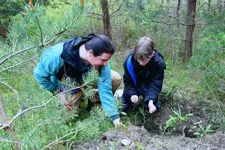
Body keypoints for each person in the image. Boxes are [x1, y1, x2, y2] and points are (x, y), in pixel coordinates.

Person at [33, 33, 122, 127]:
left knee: (115, 78)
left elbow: (105, 87)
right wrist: (58, 92)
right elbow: (39, 75)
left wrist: (115, 119)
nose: (105, 64)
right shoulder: (58, 55)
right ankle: (77, 100)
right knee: (66, 118)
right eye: (103, 60)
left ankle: (94, 104)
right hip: (69, 86)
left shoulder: (102, 62)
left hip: (87, 80)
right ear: (91, 53)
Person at [122, 36, 166, 114]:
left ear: (152, 54)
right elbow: (127, 82)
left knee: (152, 108)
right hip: (134, 84)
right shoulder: (129, 62)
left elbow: (156, 84)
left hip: (147, 86)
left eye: (145, 59)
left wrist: (151, 100)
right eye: (139, 59)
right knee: (122, 106)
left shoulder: (158, 64)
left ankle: (149, 104)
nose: (141, 63)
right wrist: (132, 94)